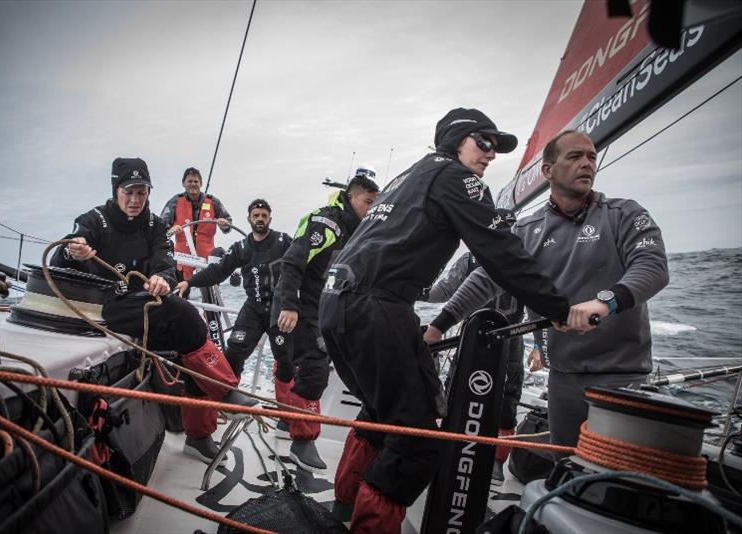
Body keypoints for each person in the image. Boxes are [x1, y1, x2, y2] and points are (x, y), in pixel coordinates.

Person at [318, 108, 578, 531]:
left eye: (497, 147)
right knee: (418, 446)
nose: (491, 155)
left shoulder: (411, 175)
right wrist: (559, 308)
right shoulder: (459, 179)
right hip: (376, 307)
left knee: (382, 416)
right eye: (485, 143)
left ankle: (342, 512)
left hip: (337, 304)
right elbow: (499, 251)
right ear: (458, 139)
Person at [426, 130, 669, 448]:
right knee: (563, 463)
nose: (587, 163)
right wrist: (438, 326)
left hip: (621, 376)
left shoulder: (624, 214)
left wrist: (604, 303)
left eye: (592, 156)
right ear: (548, 170)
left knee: (611, 481)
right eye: (574, 156)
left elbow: (653, 267)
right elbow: (487, 278)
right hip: (563, 376)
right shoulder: (527, 230)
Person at [51, 157, 256, 465]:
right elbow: (58, 262)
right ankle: (224, 391)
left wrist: (164, 277)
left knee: (187, 338)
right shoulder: (94, 220)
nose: (135, 200)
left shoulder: (154, 225)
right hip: (103, 306)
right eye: (128, 192)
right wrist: (71, 250)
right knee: (184, 314)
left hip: (140, 308)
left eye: (142, 193)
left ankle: (199, 436)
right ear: (116, 190)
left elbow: (165, 262)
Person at [275, 175, 380, 472]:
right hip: (300, 306)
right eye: (368, 202)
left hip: (328, 309)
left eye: (377, 204)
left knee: (336, 366)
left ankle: (288, 420)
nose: (372, 210)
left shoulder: (360, 231)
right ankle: (302, 442)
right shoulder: (327, 224)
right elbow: (293, 263)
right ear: (351, 197)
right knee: (315, 370)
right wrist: (288, 305)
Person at [420, 208, 525, 482]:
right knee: (457, 389)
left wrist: (540, 344)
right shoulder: (469, 260)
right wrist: (414, 288)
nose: (503, 232)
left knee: (507, 402)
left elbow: (540, 300)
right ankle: (448, 447)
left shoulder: (526, 258)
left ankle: (496, 461)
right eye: (498, 227)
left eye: (508, 227)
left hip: (512, 339)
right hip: (471, 337)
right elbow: (444, 291)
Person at [176, 198, 293, 400]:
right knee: (233, 354)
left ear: (270, 219)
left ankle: (287, 414)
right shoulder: (240, 247)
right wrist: (190, 282)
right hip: (253, 309)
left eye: (264, 216)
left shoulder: (284, 241)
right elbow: (218, 271)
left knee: (286, 360)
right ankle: (229, 400)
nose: (260, 219)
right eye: (256, 215)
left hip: (279, 309)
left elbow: (300, 267)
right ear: (249, 218)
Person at [160, 166, 232, 282]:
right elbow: (161, 227)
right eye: (189, 181)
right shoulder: (175, 201)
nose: (193, 184)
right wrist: (171, 230)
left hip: (207, 259)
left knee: (210, 288)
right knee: (180, 292)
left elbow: (228, 226)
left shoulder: (213, 202)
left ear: (201, 183)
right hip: (182, 259)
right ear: (183, 183)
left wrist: (224, 224)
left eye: (196, 181)